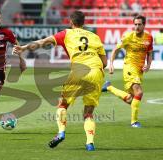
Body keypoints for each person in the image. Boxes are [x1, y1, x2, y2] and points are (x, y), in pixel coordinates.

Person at [13, 11, 107, 151]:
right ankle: (90, 143)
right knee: (88, 113)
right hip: (96, 72)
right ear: (84, 22)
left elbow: (43, 42)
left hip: (79, 71)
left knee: (62, 105)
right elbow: (104, 62)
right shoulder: (95, 37)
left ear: (71, 22)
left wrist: (24, 48)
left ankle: (61, 132)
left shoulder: (66, 33)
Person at [102, 15, 153, 128]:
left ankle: (109, 87)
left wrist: (148, 65)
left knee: (131, 99)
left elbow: (149, 53)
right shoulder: (128, 36)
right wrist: (111, 64)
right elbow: (115, 50)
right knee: (139, 92)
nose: (137, 27)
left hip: (139, 70)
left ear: (144, 25)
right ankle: (134, 122)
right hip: (129, 67)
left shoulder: (149, 37)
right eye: (135, 24)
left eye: (139, 24)